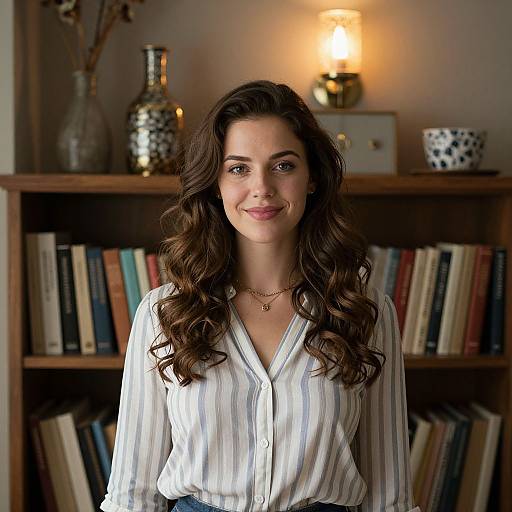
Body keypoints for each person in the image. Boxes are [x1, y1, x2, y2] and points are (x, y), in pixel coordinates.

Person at [99, 80, 420, 512]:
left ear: (312, 178)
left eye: (283, 166)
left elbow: (389, 497)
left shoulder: (365, 312)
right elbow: (132, 496)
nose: (262, 187)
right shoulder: (163, 313)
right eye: (238, 168)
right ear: (215, 184)